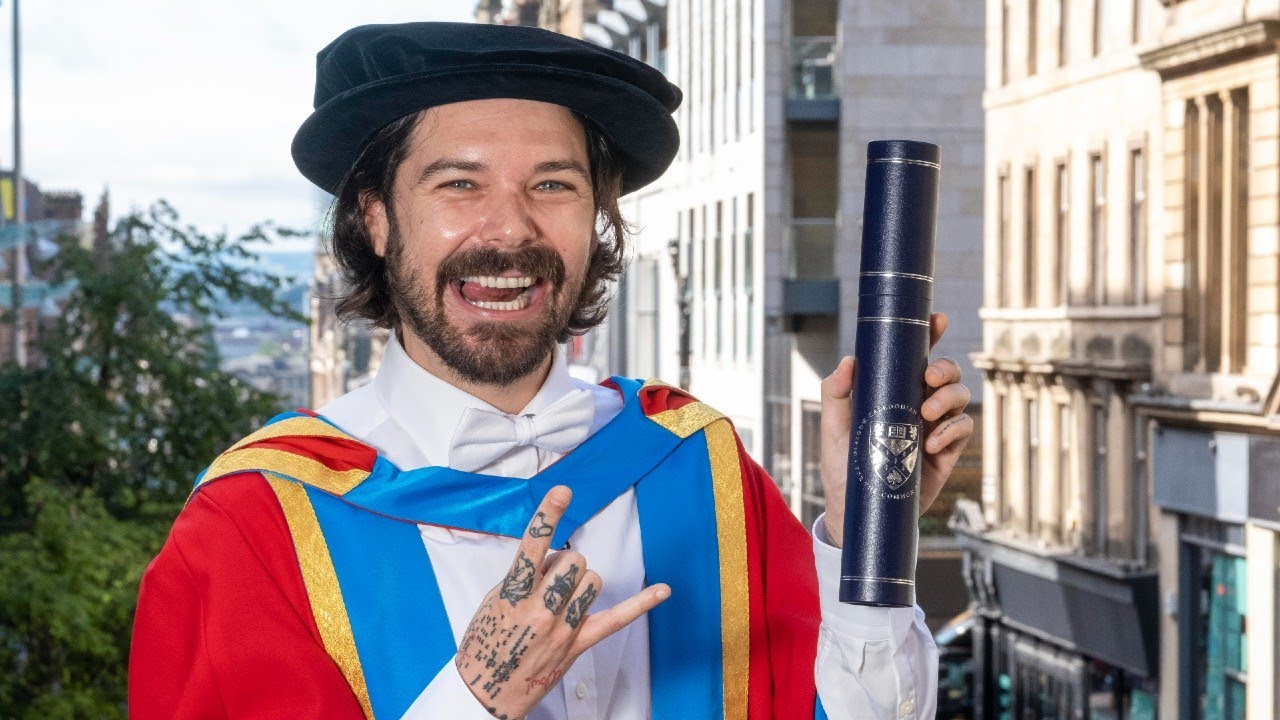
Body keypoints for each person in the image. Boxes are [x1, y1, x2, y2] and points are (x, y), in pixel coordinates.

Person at [128, 21, 974, 720]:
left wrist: (871, 529)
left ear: (596, 220)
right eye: (459, 184)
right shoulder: (255, 526)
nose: (510, 229)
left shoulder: (696, 465)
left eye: (554, 185)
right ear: (377, 219)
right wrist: (471, 698)